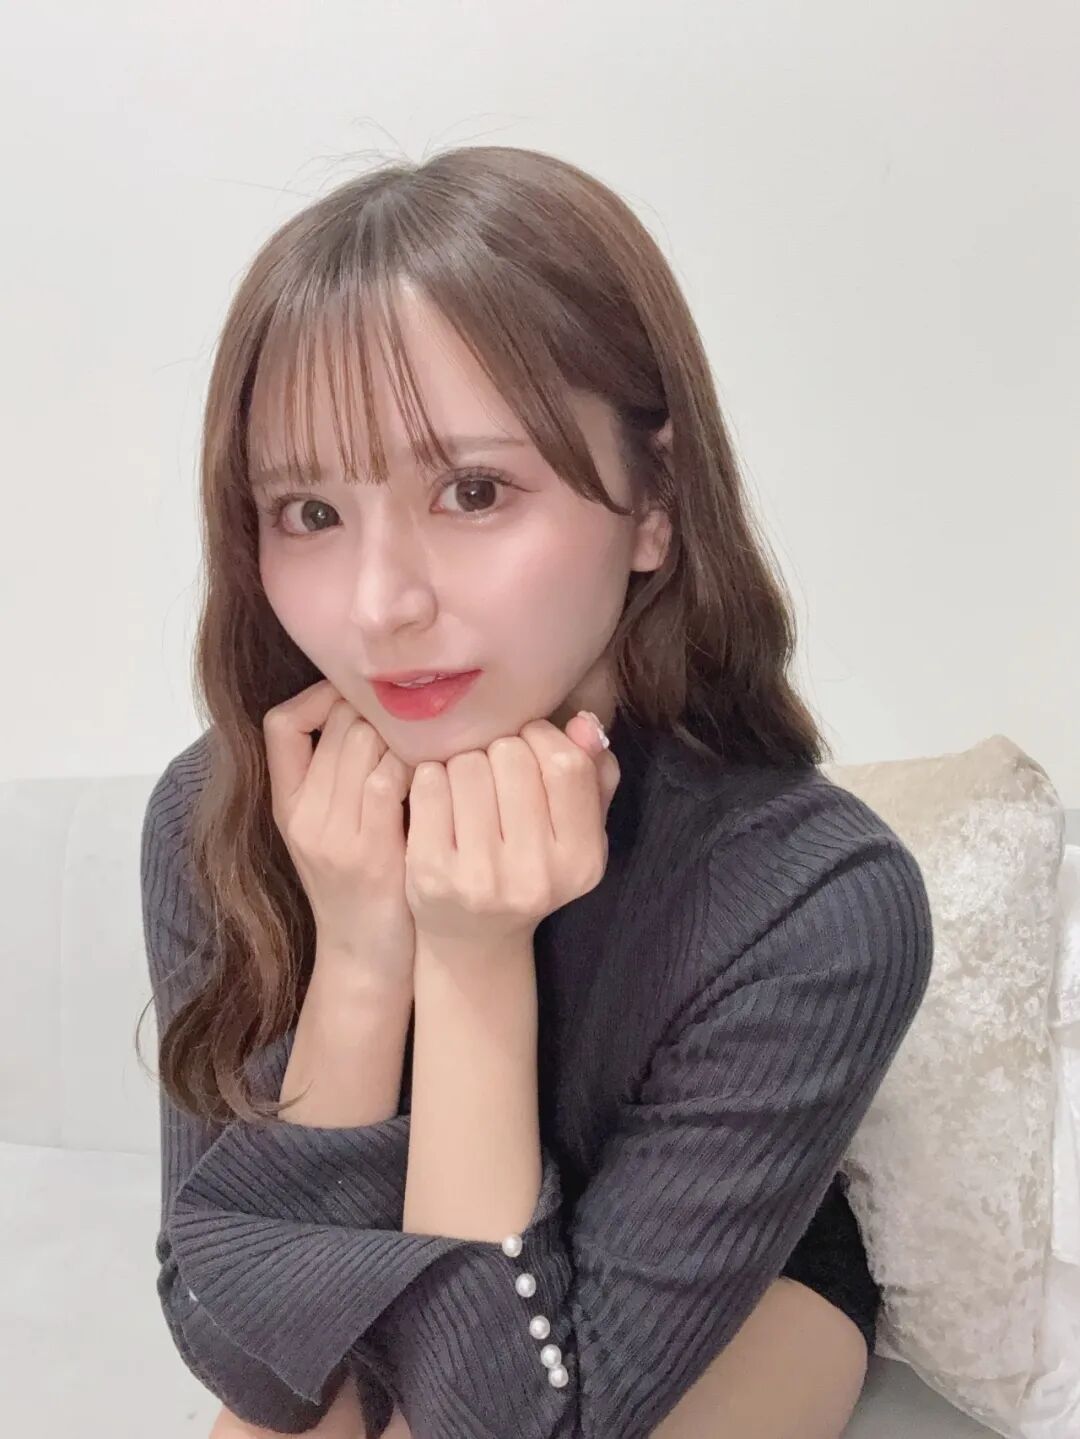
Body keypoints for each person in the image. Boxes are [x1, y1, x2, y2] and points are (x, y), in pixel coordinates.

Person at [138, 144, 933, 1439]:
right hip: (398, 1253)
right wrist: (357, 962)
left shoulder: (813, 902)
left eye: (473, 490)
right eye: (309, 512)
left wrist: (472, 959)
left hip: (719, 1287)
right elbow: (254, 1373)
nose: (381, 604)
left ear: (654, 499)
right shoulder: (218, 816)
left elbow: (497, 1427)